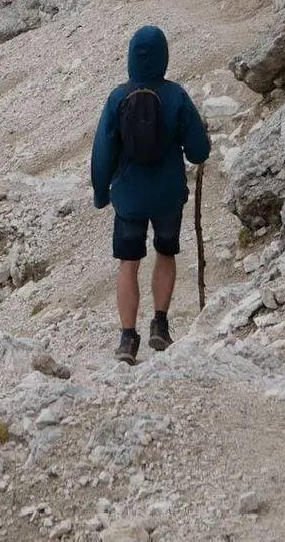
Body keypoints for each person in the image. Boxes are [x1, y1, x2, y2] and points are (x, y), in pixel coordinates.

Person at [91, 24, 210, 363]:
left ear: (131, 57)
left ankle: (128, 339)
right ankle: (160, 324)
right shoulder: (176, 96)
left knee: (128, 263)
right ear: (164, 57)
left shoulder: (118, 97)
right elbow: (198, 151)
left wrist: (102, 194)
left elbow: (102, 153)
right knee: (165, 254)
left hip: (129, 198)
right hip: (168, 196)